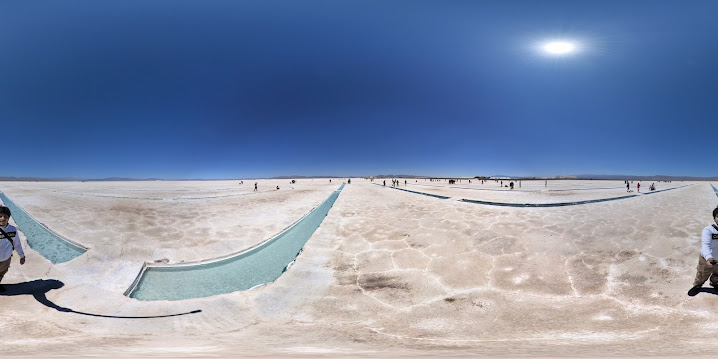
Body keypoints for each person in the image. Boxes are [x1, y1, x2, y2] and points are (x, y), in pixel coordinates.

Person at [689, 206, 718, 296]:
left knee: (717, 274)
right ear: (714, 218)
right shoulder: (708, 230)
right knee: (702, 274)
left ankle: (714, 283)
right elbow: (706, 245)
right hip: (707, 259)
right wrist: (709, 258)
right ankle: (697, 286)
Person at [0, 205, 26, 292]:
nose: (3, 218)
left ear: (8, 218)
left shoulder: (12, 230)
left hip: (6, 259)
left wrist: (22, 256)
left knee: (2, 273)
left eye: (5, 216)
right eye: (0, 216)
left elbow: (17, 244)